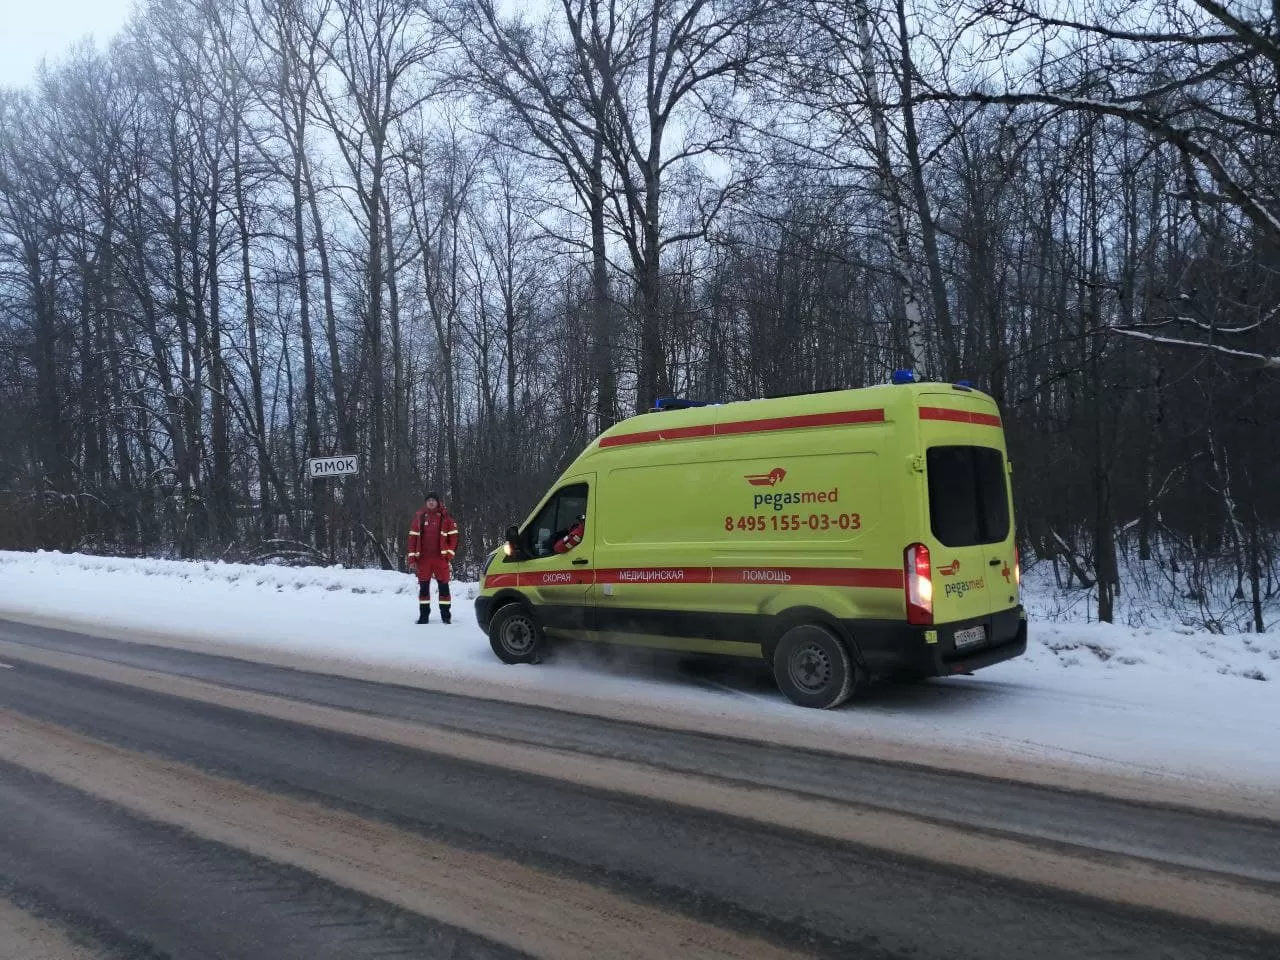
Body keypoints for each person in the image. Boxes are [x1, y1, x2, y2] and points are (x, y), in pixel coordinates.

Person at [406, 492, 459, 624]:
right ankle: (424, 617)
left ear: (438, 502)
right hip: (423, 560)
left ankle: (446, 617)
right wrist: (412, 559)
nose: (431, 502)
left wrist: (450, 553)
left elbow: (454, 537)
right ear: (426, 502)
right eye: (428, 500)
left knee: (444, 588)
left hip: (440, 559)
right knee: (424, 590)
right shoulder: (419, 518)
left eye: (433, 500)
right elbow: (412, 539)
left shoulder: (445, 517)